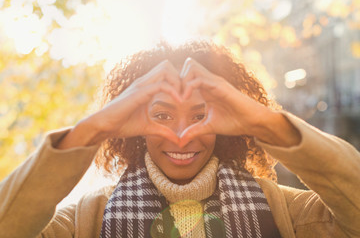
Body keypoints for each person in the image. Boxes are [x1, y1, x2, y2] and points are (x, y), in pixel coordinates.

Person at [0, 41, 359, 238]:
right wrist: (93, 129)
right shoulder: (84, 221)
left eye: (200, 116)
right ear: (134, 125)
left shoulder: (288, 213)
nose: (181, 136)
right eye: (161, 116)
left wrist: (263, 123)